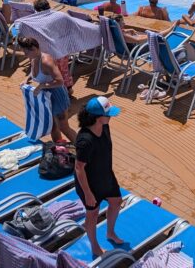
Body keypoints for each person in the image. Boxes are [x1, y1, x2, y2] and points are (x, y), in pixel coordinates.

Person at [74, 97, 124, 258]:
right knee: (93, 214)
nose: (111, 116)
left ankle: (110, 233)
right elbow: (79, 168)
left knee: (116, 202)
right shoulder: (85, 140)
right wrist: (88, 193)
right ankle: (95, 246)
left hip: (106, 176)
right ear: (97, 117)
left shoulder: (105, 126)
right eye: (108, 114)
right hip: (90, 184)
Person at [22, 36, 75, 144]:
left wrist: (42, 86)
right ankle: (60, 150)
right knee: (52, 126)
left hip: (57, 96)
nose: (24, 55)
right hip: (46, 97)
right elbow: (34, 72)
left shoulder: (46, 62)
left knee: (64, 126)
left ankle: (84, 151)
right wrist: (27, 78)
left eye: (26, 52)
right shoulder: (33, 58)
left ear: (34, 49)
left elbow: (60, 81)